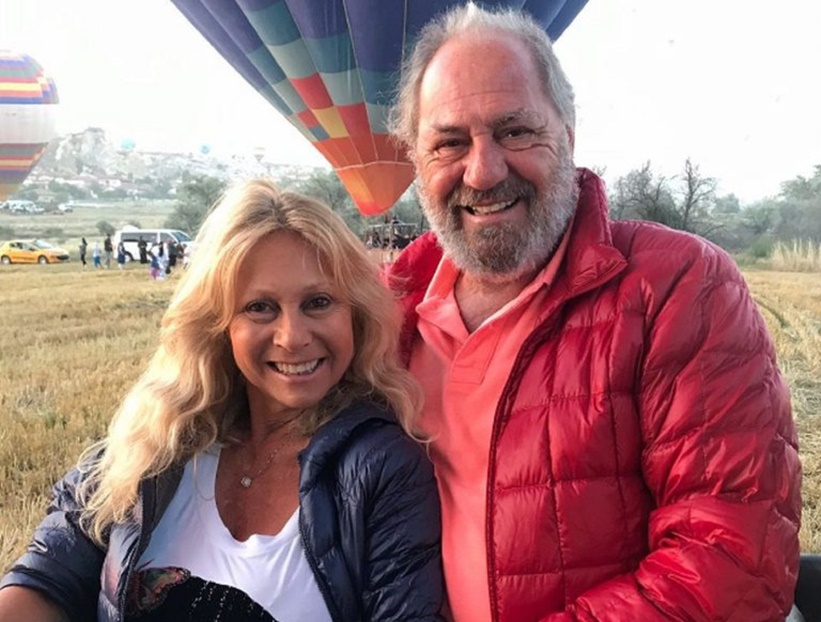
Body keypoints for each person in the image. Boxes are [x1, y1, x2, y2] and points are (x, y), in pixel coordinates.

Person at [385, 5, 801, 621]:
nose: (484, 171)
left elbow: (729, 562)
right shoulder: (382, 310)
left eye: (515, 131)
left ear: (569, 134)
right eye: (449, 142)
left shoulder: (678, 286)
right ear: (416, 159)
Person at [0, 179, 443, 621]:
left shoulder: (381, 468)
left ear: (356, 315)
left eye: (318, 302)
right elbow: (46, 577)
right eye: (260, 307)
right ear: (219, 323)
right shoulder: (160, 436)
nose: (293, 337)